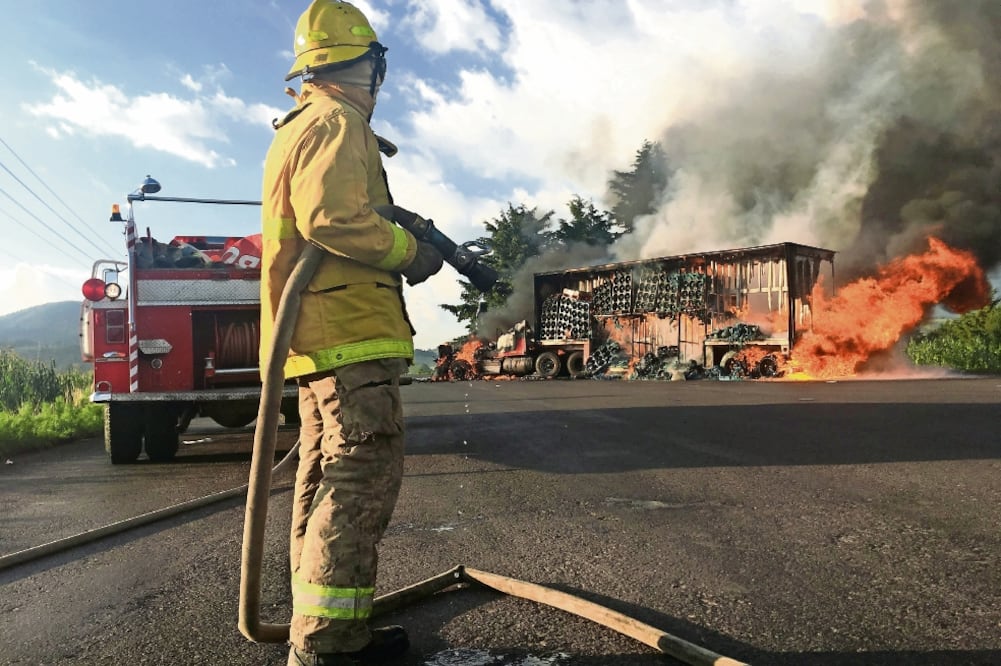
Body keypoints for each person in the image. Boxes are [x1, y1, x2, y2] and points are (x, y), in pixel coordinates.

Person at [259, 2, 444, 664]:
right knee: (359, 476)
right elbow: (332, 219)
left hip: (313, 335)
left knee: (324, 474)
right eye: (374, 63)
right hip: (347, 335)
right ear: (367, 63)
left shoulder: (299, 124)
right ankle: (332, 647)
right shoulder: (337, 122)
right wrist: (409, 252)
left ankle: (324, 633)